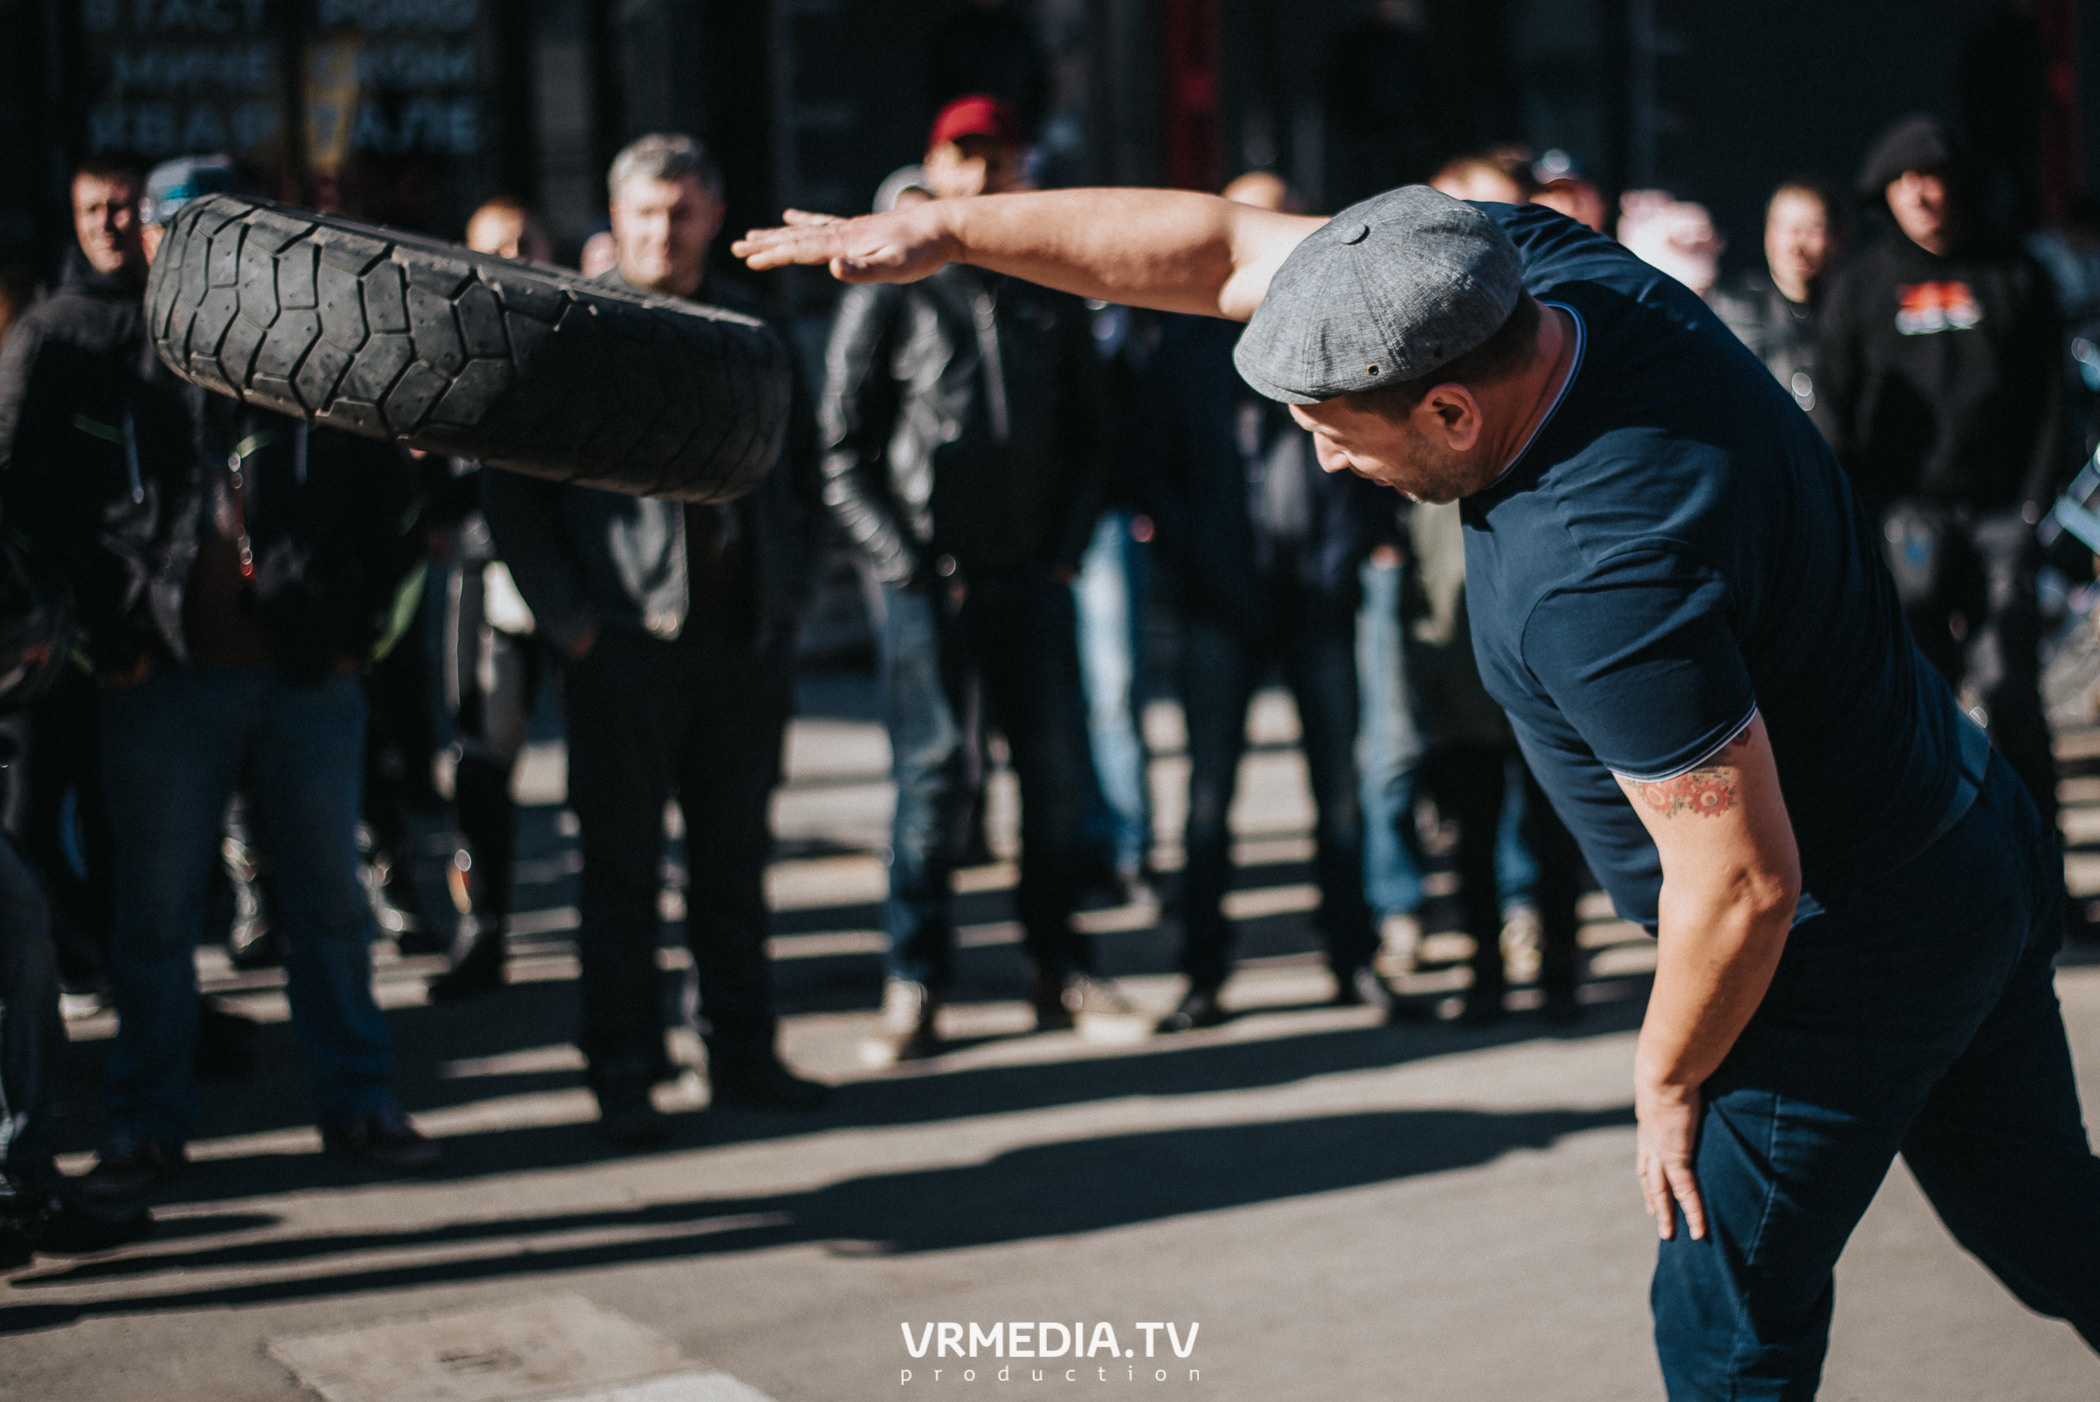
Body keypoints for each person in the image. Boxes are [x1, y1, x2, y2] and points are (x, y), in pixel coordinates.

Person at [738, 169, 2100, 1393]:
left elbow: (1741, 884)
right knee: (2052, 1230)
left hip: (1841, 952)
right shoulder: (1532, 272)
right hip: (1966, 829)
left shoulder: (1597, 563)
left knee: (1727, 1325)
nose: (1327, 460)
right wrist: (946, 231)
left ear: (1450, 408)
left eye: (1339, 432)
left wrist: (1669, 1073)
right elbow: (1215, 247)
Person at [486, 134, 831, 1144]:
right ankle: (626, 1067)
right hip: (623, 647)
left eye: (681, 212)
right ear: (616, 215)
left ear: (712, 218)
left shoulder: (755, 325)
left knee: (733, 863)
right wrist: (574, 626)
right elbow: (510, 490)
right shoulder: (575, 332)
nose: (664, 231)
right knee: (621, 873)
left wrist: (790, 602)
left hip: (742, 642)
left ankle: (744, 1052)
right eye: (646, 213)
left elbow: (801, 479)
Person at [817, 96, 1119, 1064]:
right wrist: (903, 560)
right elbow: (839, 448)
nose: (981, 177)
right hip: (929, 584)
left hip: (1031, 572)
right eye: (963, 158)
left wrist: (1066, 547)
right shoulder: (892, 286)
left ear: (1022, 169)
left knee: (1054, 780)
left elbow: (1090, 436)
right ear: (934, 167)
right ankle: (916, 979)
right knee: (934, 782)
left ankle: (1060, 964)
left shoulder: (1049, 287)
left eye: (997, 158)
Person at [1137, 171, 1393, 1031]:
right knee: (1209, 797)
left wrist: (1343, 559)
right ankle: (1203, 971)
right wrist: (1195, 564)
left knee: (1340, 792)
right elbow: (1156, 478)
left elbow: (1370, 467)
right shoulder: (1184, 345)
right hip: (1221, 602)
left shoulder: (1341, 329)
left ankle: (1353, 956)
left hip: (1317, 594)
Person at [1816, 114, 2067, 827]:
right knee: (1915, 702)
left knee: (2009, 688)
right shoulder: (1861, 287)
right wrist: (1863, 521)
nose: (1922, 195)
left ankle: (2038, 868)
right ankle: (1937, 881)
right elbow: (1834, 413)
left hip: (1999, 518)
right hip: (1902, 521)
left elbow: (2054, 402)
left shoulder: (2017, 274)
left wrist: (2031, 510)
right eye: (1905, 182)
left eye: (1935, 179)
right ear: (1884, 194)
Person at [424, 197, 558, 1003]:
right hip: (488, 573)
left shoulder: (584, 332)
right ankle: (484, 930)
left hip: (579, 578)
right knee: (480, 763)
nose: (511, 253)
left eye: (524, 239)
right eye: (493, 245)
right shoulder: (444, 343)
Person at [1711, 179, 1844, 416]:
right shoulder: (1730, 311)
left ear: (1836, 239)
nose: (1798, 245)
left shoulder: (1853, 312)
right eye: (1788, 230)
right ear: (1769, 234)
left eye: (1813, 230)